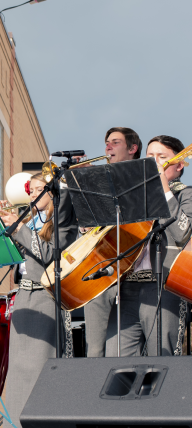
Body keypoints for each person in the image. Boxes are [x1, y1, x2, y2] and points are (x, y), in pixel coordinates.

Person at [0, 172, 75, 428]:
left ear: (52, 193)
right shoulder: (30, 221)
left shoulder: (63, 222)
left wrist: (18, 229)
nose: (31, 194)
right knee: (18, 369)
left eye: (38, 189)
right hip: (24, 295)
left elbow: (50, 254)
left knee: (41, 367)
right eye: (30, 190)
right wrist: (3, 226)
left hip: (47, 293)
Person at [103, 135, 192, 356]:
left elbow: (183, 233)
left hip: (165, 285)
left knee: (161, 360)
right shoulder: (133, 196)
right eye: (149, 156)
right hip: (127, 286)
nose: (153, 162)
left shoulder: (185, 194)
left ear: (179, 165)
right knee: (116, 360)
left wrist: (164, 190)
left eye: (161, 157)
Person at [85, 127, 142, 357]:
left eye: (115, 142)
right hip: (102, 268)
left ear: (132, 149)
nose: (108, 146)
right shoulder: (98, 180)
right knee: (95, 349)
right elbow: (87, 226)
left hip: (134, 271)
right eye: (107, 142)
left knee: (122, 352)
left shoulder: (143, 177)